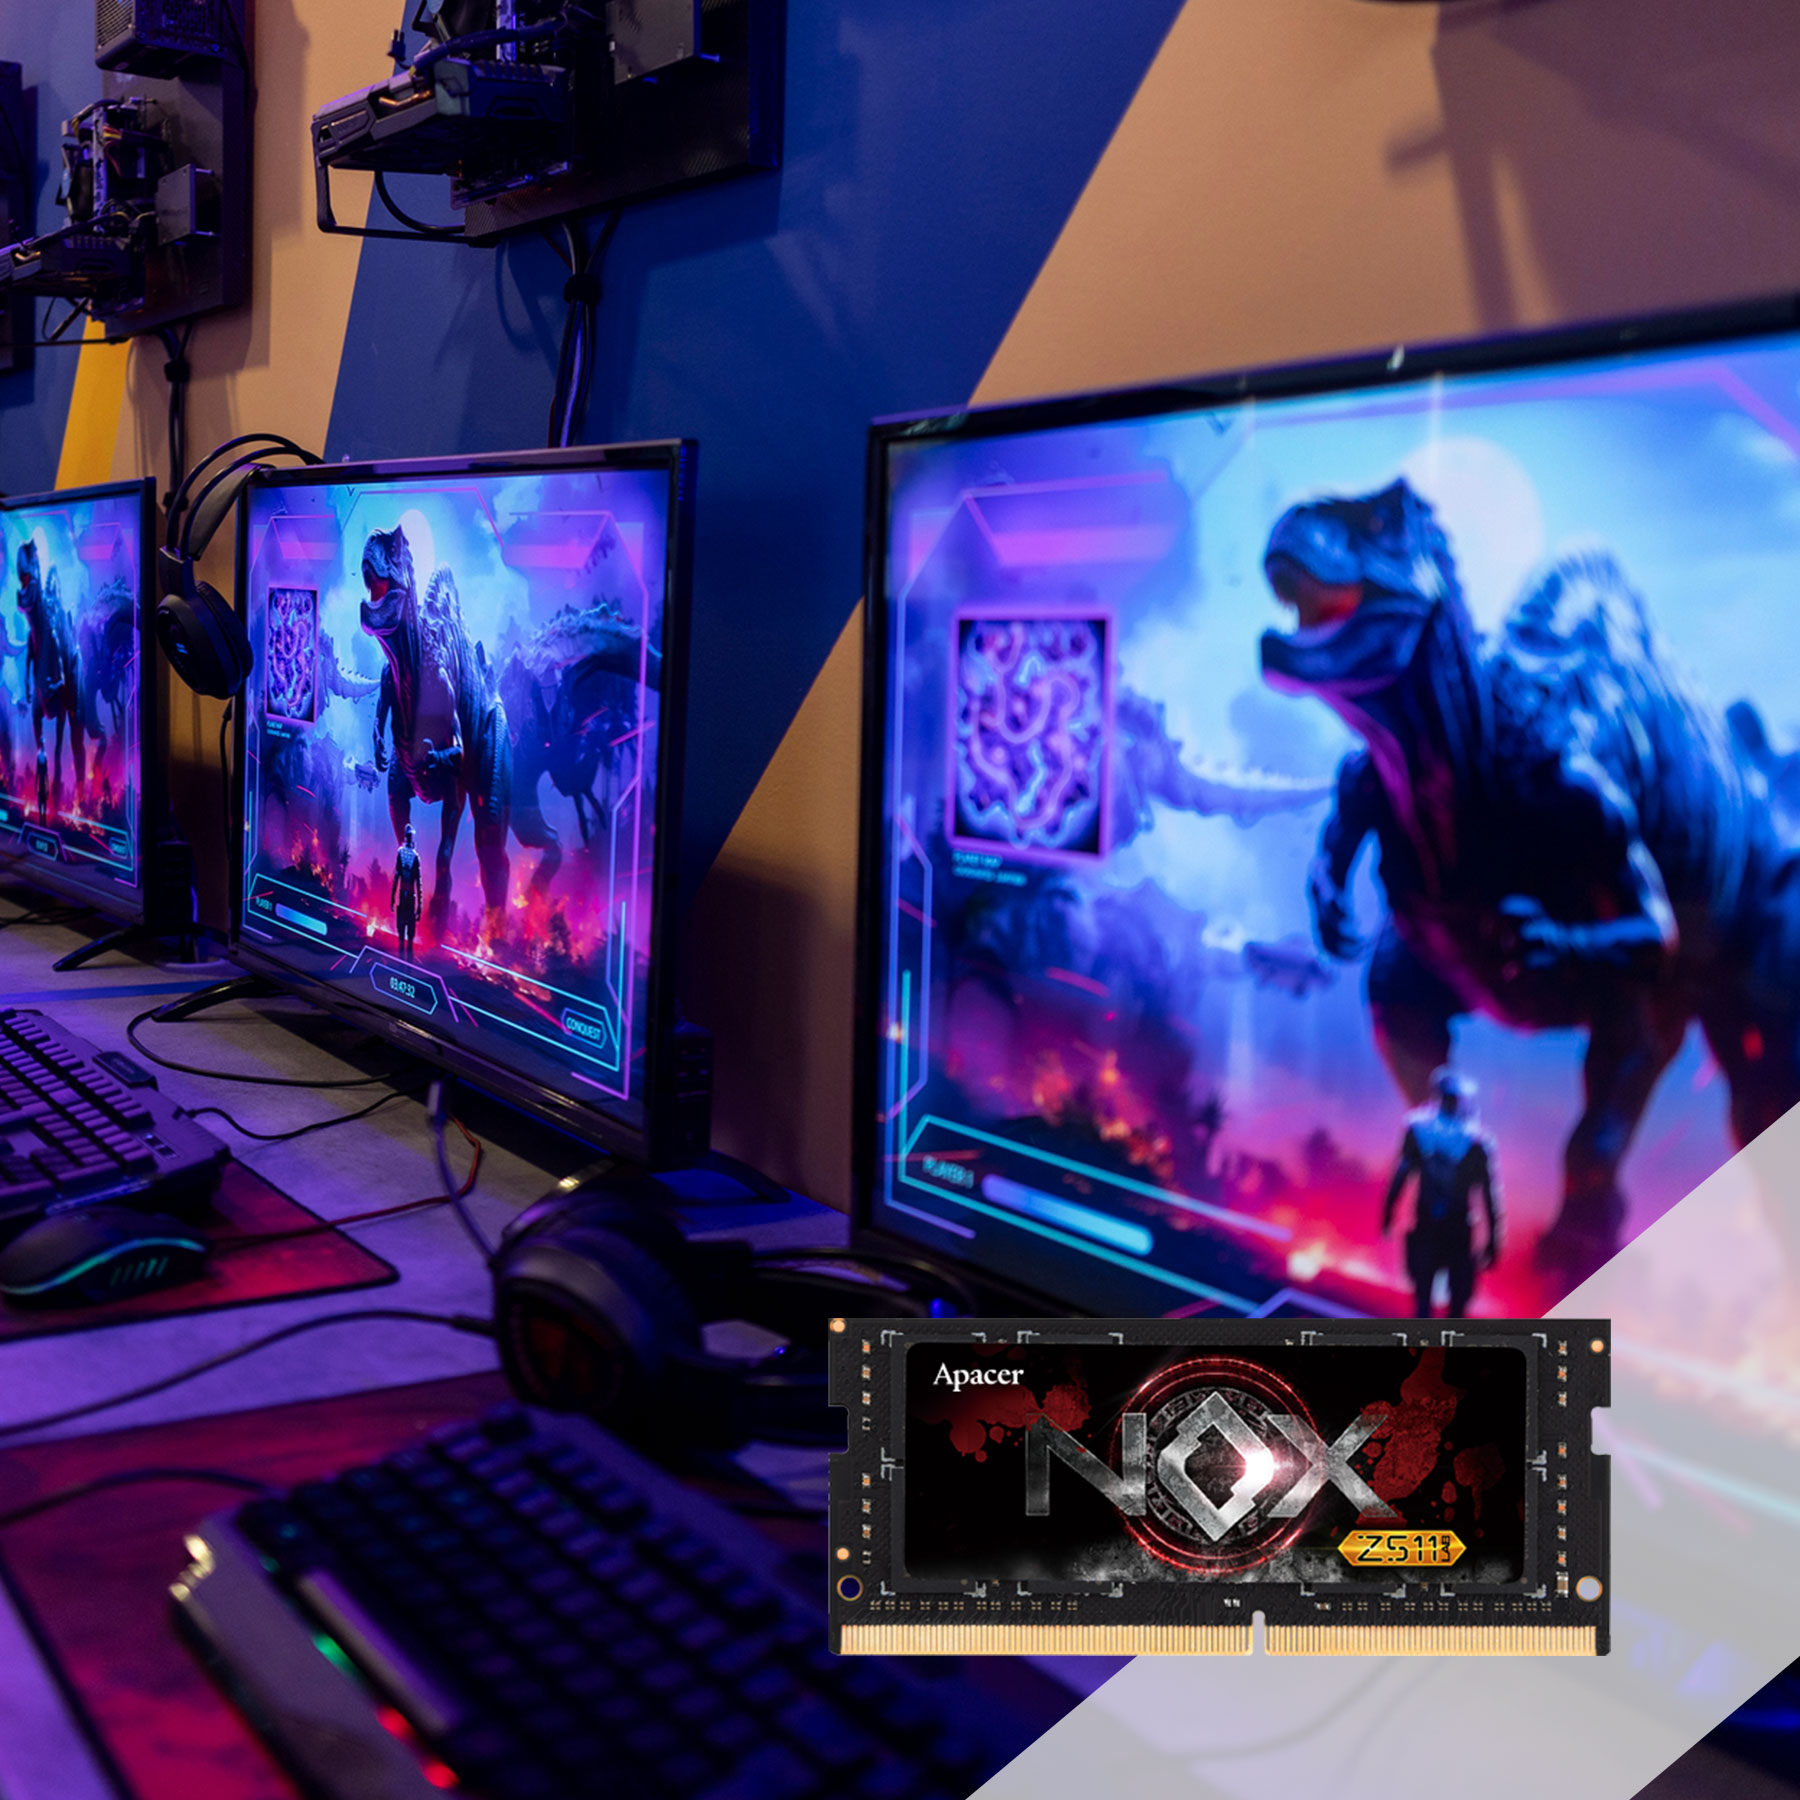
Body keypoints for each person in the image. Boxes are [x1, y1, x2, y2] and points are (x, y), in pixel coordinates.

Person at [1380, 1067, 1504, 1317]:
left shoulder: (1421, 1129)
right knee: (1446, 1306)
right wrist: (1493, 1240)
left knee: (1427, 1303)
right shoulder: (1476, 1141)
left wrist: (1388, 1213)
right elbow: (1490, 1195)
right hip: (1449, 1228)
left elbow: (1401, 1175)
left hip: (1437, 1226)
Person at [391, 822, 423, 959]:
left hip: (408, 898)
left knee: (408, 936)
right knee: (403, 935)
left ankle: (406, 963)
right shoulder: (410, 855)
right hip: (405, 898)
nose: (410, 838)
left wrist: (420, 905)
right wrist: (392, 897)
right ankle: (403, 963)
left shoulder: (413, 856)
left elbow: (418, 882)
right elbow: (397, 877)